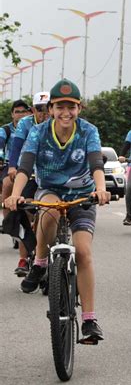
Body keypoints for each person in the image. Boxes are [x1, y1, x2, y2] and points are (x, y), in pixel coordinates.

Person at [5, 79, 110, 344]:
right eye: (59, 106)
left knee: (84, 252)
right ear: (50, 109)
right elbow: (25, 166)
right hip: (50, 190)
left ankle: (89, 320)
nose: (66, 112)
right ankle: (39, 263)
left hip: (83, 196)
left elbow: (96, 162)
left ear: (79, 109)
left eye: (71, 107)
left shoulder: (88, 131)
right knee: (48, 212)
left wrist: (100, 189)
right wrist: (16, 195)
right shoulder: (38, 133)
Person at [7, 92, 51, 276]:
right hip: (29, 171)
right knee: (21, 207)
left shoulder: (60, 122)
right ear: (33, 110)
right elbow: (16, 146)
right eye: (39, 109)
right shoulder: (26, 124)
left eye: (47, 108)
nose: (44, 113)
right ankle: (24, 258)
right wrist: (12, 167)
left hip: (51, 175)